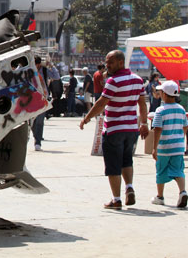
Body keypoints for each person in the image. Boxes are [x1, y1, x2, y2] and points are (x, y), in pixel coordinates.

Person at [79, 50, 149, 209]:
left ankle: (116, 199)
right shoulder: (138, 80)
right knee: (126, 160)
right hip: (131, 129)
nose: (107, 65)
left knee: (113, 165)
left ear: (120, 63)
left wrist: (87, 118)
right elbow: (142, 104)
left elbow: (101, 103)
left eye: (110, 62)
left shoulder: (114, 81)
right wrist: (143, 124)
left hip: (114, 129)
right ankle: (129, 187)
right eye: (106, 61)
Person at [149, 80, 187, 208]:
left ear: (164, 94)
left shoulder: (160, 110)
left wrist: (154, 148)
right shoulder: (182, 110)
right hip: (178, 147)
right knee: (179, 170)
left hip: (164, 148)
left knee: (161, 171)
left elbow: (157, 130)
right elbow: (185, 128)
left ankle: (160, 196)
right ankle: (182, 192)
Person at [31, 56, 47, 151]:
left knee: (40, 122)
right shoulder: (27, 73)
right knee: (33, 123)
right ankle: (36, 138)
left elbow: (44, 88)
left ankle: (38, 142)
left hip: (41, 101)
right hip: (31, 102)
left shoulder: (41, 73)